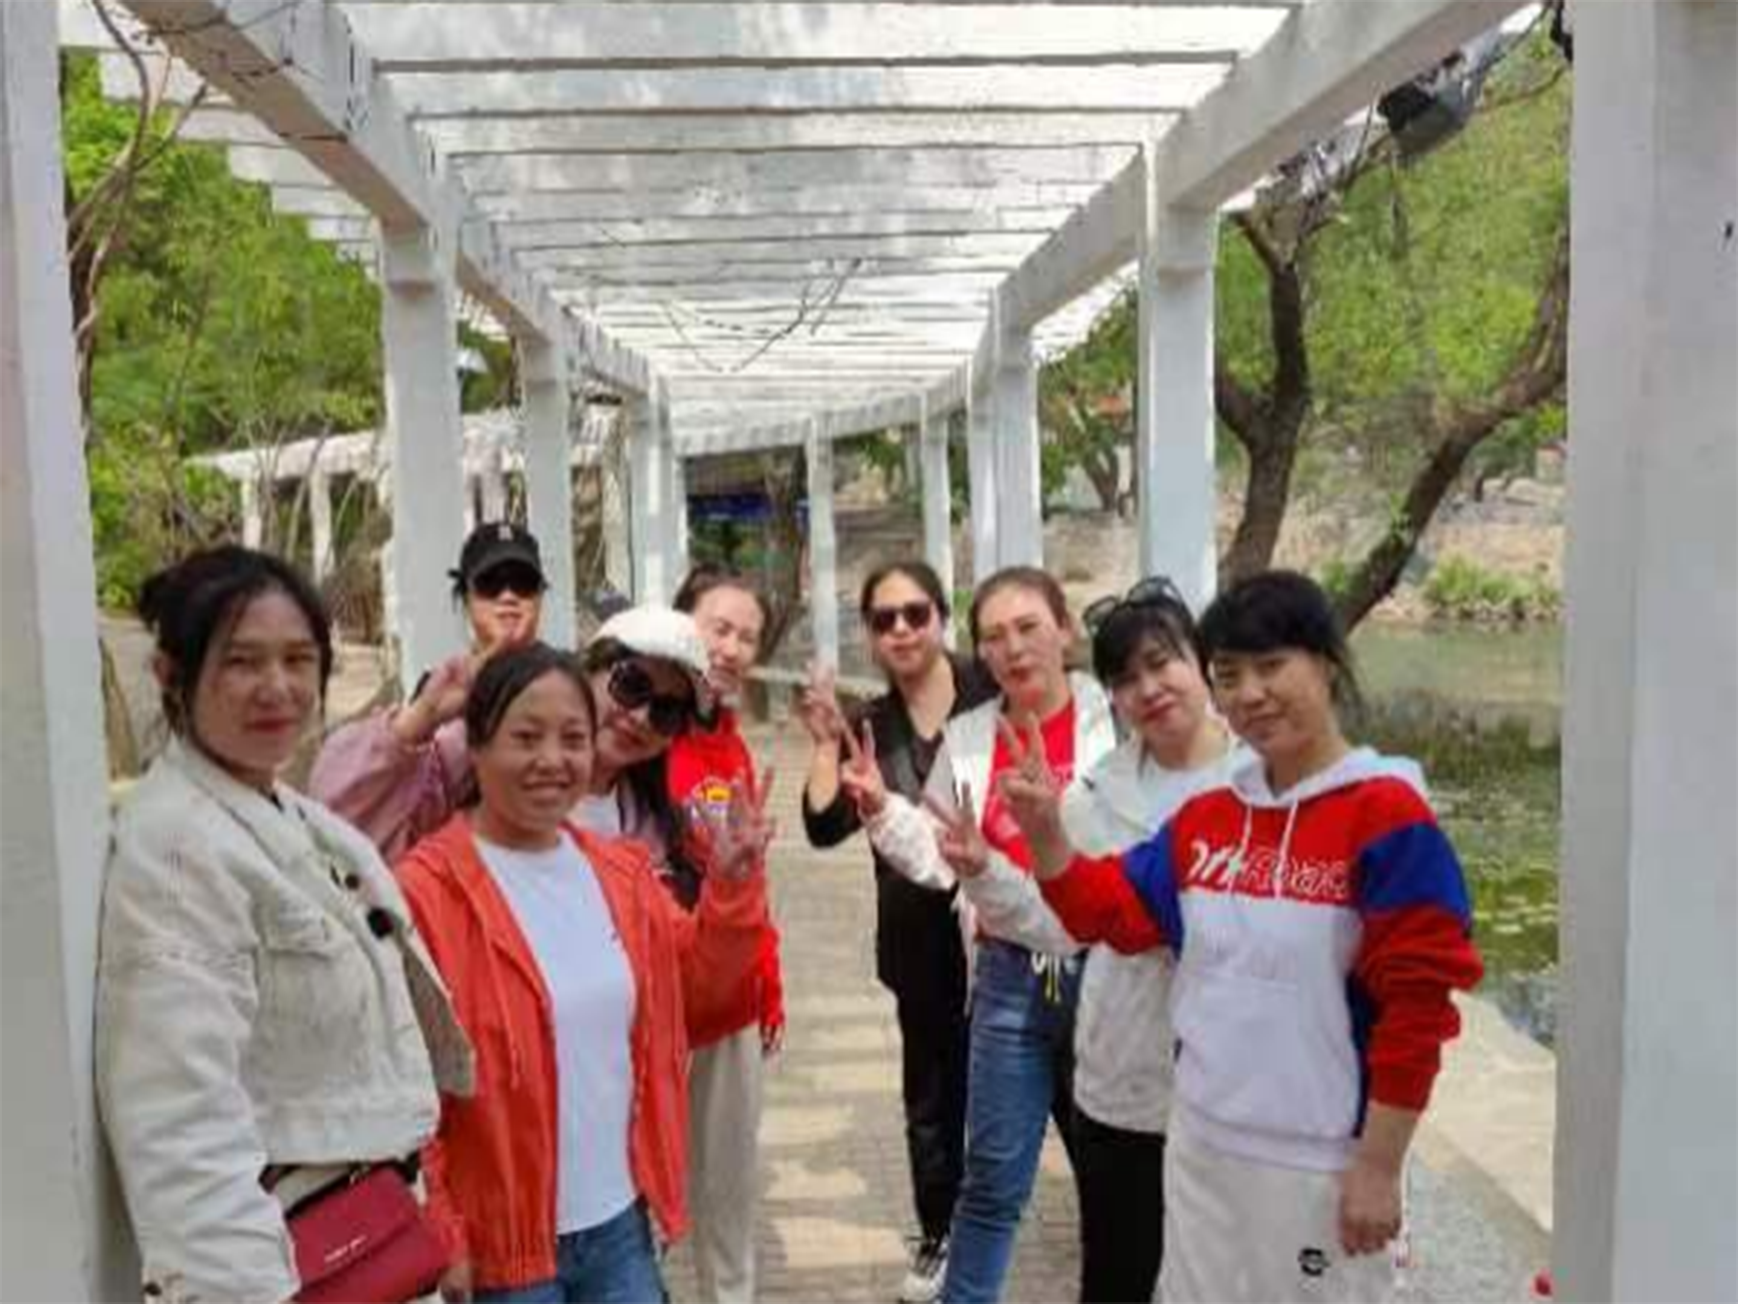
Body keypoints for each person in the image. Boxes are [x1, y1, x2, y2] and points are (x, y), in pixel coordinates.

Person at [967, 570, 1484, 1304]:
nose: (1250, 694)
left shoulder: (1388, 816)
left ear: (1326, 664)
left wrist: (1379, 1163)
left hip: (1316, 1163)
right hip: (1203, 1149)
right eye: (1231, 675)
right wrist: (1047, 832)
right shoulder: (1209, 821)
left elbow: (1417, 1010)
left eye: (1272, 666)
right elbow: (1111, 915)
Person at [96, 546, 473, 1303]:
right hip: (282, 1263)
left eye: (299, 659)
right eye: (242, 661)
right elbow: (181, 1126)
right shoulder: (179, 850)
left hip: (372, 1232)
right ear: (172, 673)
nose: (278, 687)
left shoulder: (299, 821)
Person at [395, 642, 776, 1304]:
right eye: (526, 737)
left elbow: (700, 994)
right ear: (477, 744)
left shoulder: (622, 873)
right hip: (503, 1254)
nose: (552, 759)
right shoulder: (425, 892)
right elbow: (406, 1083)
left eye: (573, 738)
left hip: (621, 1229)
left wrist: (732, 887)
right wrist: (442, 1230)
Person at [837, 566, 1117, 1304]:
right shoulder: (969, 737)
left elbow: (1112, 874)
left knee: (1113, 1176)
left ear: (1065, 629)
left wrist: (1000, 866)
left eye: (1028, 628)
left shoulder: (1117, 724)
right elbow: (944, 853)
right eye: (994, 636)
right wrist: (882, 809)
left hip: (1106, 977)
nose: (1013, 648)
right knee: (991, 1182)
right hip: (1008, 980)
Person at [958, 578, 1237, 1302]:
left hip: (1240, 1091)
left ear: (1202, 661)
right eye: (1125, 679)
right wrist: (986, 868)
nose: (1148, 689)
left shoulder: (1261, 782)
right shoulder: (1094, 795)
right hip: (1125, 1085)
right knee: (1119, 1277)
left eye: (1162, 663)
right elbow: (1059, 923)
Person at [799, 561, 997, 1303]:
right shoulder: (871, 724)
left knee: (1054, 1079)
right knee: (932, 1105)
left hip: (1010, 932)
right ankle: (941, 1233)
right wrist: (826, 742)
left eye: (916, 613)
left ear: (942, 616)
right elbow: (823, 826)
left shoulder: (992, 695)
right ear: (871, 635)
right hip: (919, 942)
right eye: (885, 620)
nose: (903, 630)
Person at [665, 564, 786, 1304]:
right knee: (647, 1196)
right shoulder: (643, 735)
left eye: (747, 636)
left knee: (730, 1198)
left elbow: (752, 883)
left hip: (731, 1002)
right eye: (719, 629)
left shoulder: (733, 745)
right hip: (657, 997)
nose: (732, 649)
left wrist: (768, 984)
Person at [310, 520, 548, 860]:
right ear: (465, 599)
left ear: (540, 597)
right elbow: (340, 821)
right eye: (491, 583)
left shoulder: (572, 687)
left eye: (523, 583)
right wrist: (424, 717)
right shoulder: (440, 700)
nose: (508, 596)